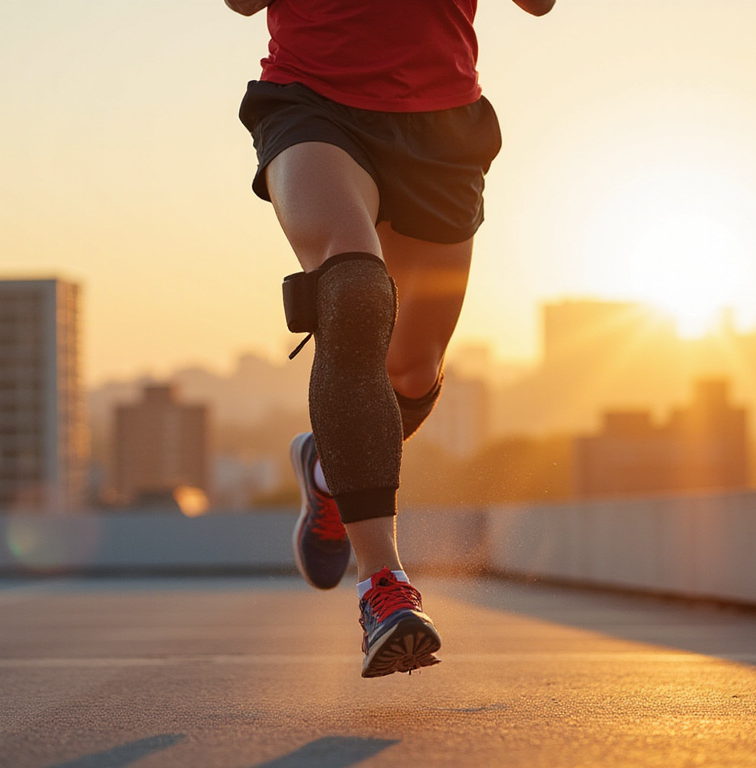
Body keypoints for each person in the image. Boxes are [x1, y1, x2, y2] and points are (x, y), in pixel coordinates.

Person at [227, 0, 555, 678]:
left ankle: (328, 470)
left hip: (441, 126)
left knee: (411, 372)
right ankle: (384, 588)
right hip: (312, 101)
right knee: (352, 294)